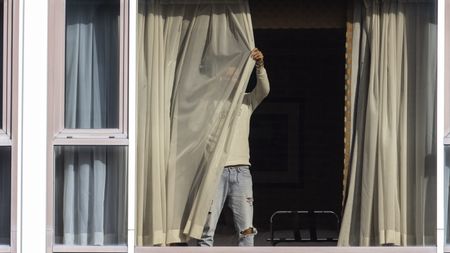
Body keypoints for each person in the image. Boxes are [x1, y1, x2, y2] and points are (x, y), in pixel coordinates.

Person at [197, 48, 270, 247]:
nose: (232, 80)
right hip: (215, 171)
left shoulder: (246, 100)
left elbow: (264, 90)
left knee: (246, 231)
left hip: (242, 171)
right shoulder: (210, 103)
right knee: (206, 231)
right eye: (227, 76)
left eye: (236, 76)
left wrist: (259, 65)